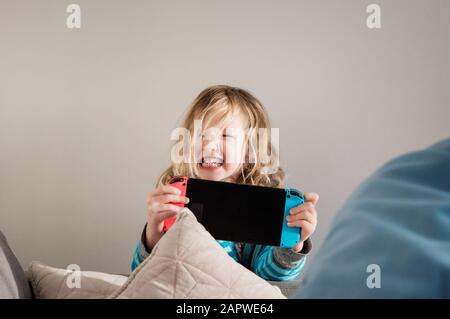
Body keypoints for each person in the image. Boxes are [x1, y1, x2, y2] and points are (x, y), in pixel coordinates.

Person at [131, 85, 319, 281]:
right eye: (200, 135)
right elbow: (142, 275)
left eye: (225, 135)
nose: (209, 145)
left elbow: (269, 278)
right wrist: (154, 231)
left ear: (249, 151)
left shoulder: (266, 211)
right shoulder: (177, 200)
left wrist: (293, 245)